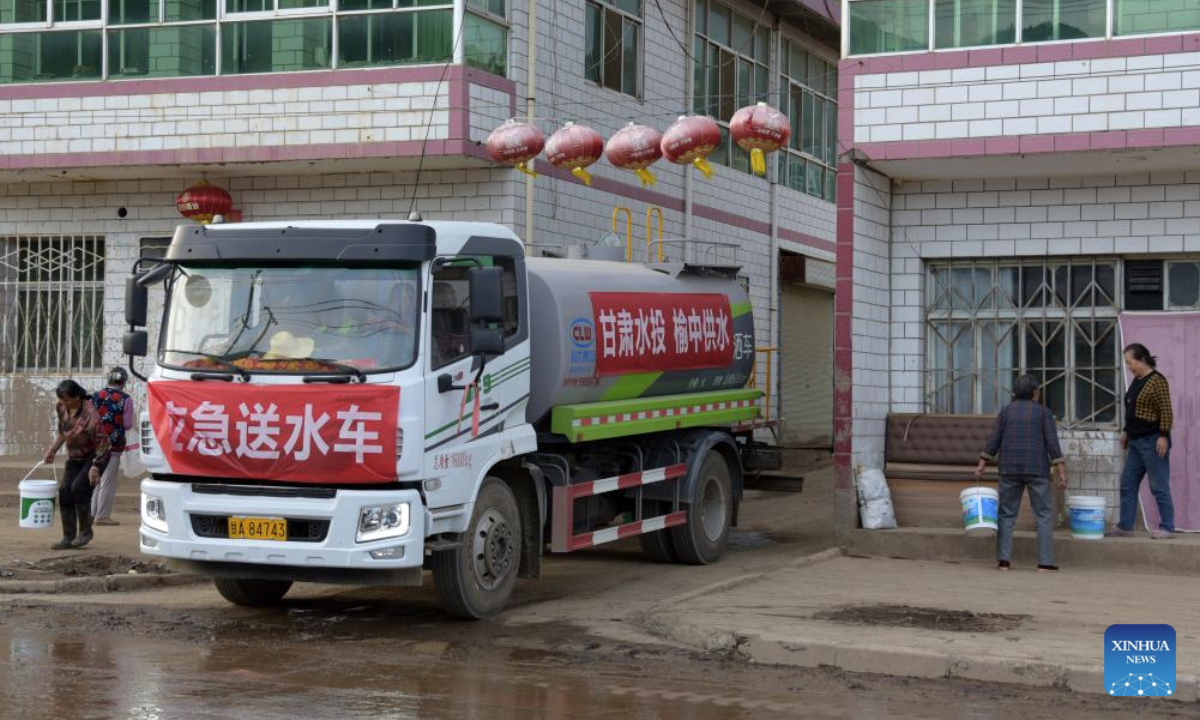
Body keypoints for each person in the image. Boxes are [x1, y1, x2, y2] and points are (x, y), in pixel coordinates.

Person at [974, 375, 1069, 573]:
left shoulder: (1006, 411)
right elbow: (1052, 443)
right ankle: (1044, 563)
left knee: (1006, 515)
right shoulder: (1043, 412)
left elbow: (994, 439)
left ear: (1015, 392)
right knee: (1043, 515)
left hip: (1009, 468)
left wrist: (982, 463)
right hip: (1037, 469)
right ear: (1035, 392)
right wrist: (1061, 471)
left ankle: (1004, 562)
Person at [1108, 343, 1175, 540]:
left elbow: (1166, 411)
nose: (1129, 367)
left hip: (1153, 440)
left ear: (1143, 360)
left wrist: (1163, 435)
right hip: (1136, 442)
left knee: (1158, 485)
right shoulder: (1137, 380)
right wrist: (1126, 431)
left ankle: (1167, 527)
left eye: (1131, 362)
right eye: (1127, 363)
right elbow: (1132, 410)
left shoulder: (1157, 381)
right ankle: (1125, 526)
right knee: (1127, 483)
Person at [42, 380, 111, 550]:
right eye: (61, 399)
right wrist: (52, 450)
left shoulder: (91, 415)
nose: (63, 402)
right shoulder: (61, 407)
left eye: (66, 399)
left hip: (93, 457)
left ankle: (86, 532)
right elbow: (63, 432)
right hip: (74, 457)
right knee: (65, 492)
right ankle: (68, 536)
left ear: (77, 397)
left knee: (79, 488)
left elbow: (104, 444)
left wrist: (96, 467)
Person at [90, 367, 135, 527]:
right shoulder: (125, 399)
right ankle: (102, 516)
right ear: (123, 382)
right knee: (108, 480)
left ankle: (91, 513)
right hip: (113, 444)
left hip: (94, 444)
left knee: (95, 478)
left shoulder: (96, 396)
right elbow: (128, 424)